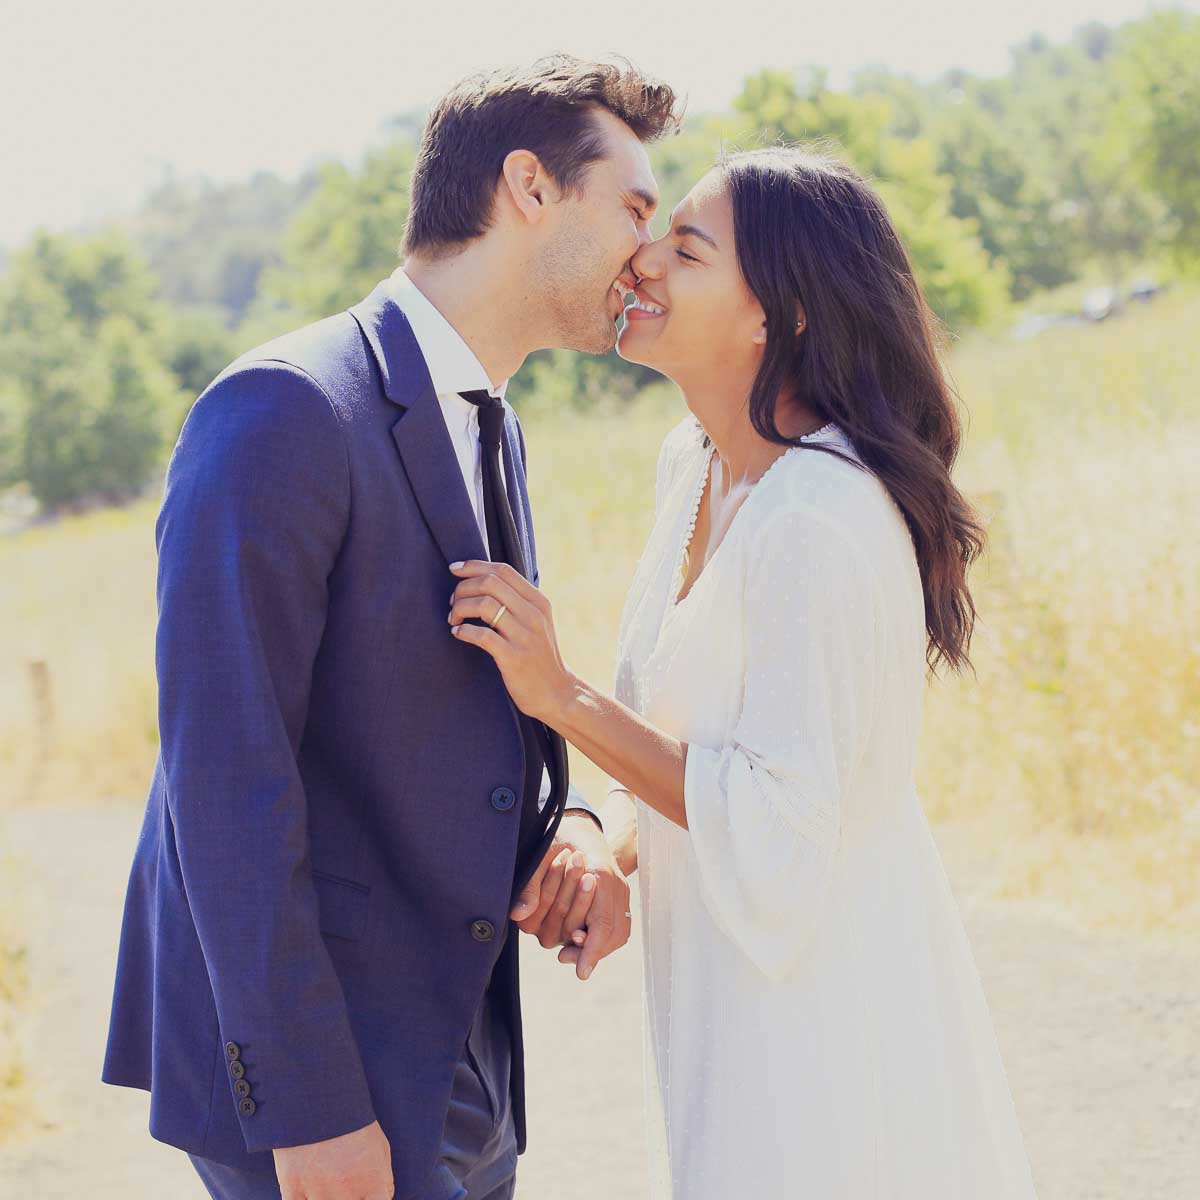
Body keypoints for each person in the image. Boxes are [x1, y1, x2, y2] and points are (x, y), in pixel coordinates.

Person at [101, 55, 679, 1200]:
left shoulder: (491, 422)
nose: (648, 252)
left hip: (458, 1044)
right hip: (328, 1071)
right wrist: (311, 1111)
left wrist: (563, 840)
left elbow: (421, 721)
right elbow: (225, 783)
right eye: (635, 207)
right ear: (529, 186)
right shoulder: (285, 408)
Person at [449, 146, 1040, 1198]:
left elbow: (778, 821)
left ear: (778, 315)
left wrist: (560, 696)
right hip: (722, 987)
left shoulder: (820, 519)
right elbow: (700, 748)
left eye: (687, 249)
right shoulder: (697, 467)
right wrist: (607, 848)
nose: (640, 264)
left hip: (818, 1007)